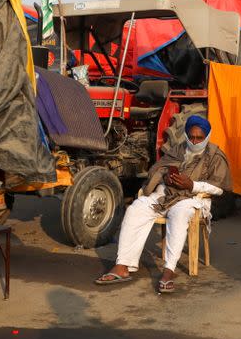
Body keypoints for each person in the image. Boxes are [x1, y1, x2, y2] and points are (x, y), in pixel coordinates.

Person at [95, 115, 231, 293]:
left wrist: (192, 185)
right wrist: (165, 176)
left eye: (200, 137)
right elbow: (157, 169)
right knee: (135, 209)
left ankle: (168, 271)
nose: (195, 141)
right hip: (165, 195)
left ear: (207, 136)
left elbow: (219, 188)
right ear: (186, 135)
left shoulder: (215, 155)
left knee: (180, 214)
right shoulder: (177, 149)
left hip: (193, 199)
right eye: (191, 137)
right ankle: (122, 265)